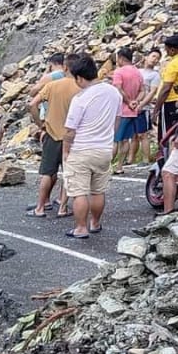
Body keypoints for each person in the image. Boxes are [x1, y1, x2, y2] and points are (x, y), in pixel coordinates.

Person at [62, 54, 120, 239]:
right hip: (104, 149)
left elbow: (70, 130)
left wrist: (65, 150)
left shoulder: (80, 98)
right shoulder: (114, 93)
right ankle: (95, 223)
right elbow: (117, 120)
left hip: (82, 149)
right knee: (98, 190)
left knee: (79, 192)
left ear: (79, 77)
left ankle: (81, 227)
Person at [26, 53, 79, 217]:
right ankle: (63, 208)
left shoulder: (53, 85)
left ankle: (40, 207)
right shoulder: (81, 88)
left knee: (48, 173)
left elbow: (32, 104)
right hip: (73, 137)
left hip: (52, 134)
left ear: (65, 67)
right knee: (68, 174)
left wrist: (40, 124)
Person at [111, 46, 145, 170]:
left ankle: (107, 168)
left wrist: (128, 101)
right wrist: (136, 101)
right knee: (125, 140)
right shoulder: (137, 72)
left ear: (120, 58)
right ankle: (119, 166)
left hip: (121, 110)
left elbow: (118, 89)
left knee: (115, 140)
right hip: (133, 111)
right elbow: (142, 91)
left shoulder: (119, 72)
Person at [152, 35, 178, 146]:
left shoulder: (173, 64)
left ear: (172, 50)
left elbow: (166, 88)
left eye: (167, 49)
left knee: (166, 136)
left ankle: (165, 161)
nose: (166, 52)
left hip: (171, 103)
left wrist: (156, 110)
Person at [138, 47, 162, 162]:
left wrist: (141, 105)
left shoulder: (155, 75)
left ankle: (145, 159)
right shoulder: (138, 71)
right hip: (133, 106)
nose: (155, 60)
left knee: (143, 134)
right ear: (146, 57)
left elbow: (152, 92)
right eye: (153, 56)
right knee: (134, 136)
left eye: (157, 58)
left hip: (144, 108)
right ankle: (130, 159)